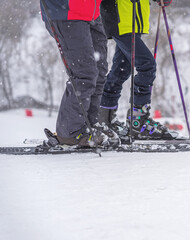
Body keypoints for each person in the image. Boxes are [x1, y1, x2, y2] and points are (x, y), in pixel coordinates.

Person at [40, 0, 117, 146]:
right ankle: (70, 133)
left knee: (99, 73)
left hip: (92, 13)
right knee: (85, 74)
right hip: (67, 12)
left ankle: (90, 125)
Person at [98, 0, 176, 140]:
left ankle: (105, 119)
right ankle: (138, 122)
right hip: (121, 19)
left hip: (133, 20)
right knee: (147, 66)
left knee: (121, 70)